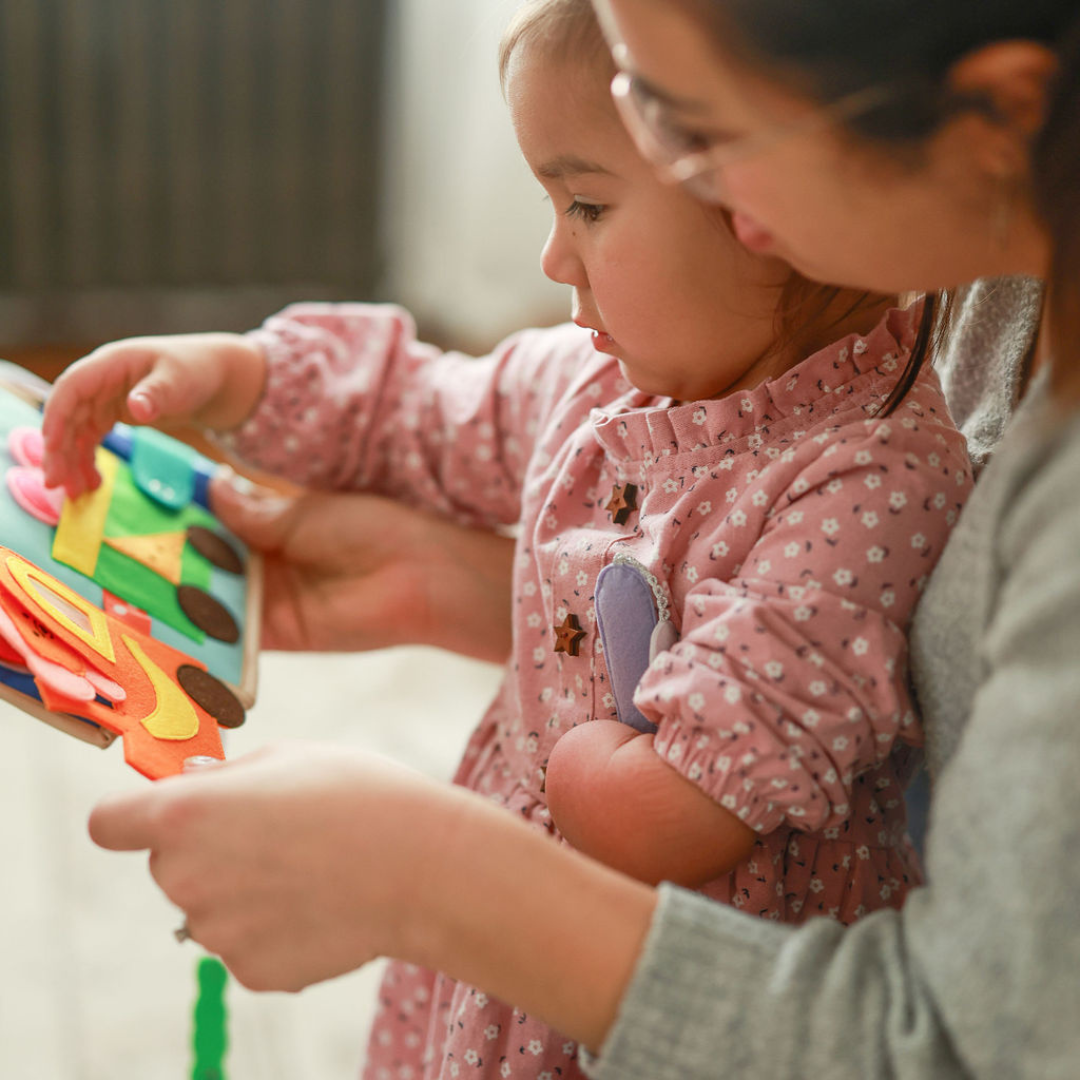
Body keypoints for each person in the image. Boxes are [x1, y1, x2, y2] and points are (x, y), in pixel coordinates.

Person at [82, 0, 1080, 1077]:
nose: (554, 256)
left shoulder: (871, 474)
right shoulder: (606, 381)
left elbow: (679, 806)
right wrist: (245, 378)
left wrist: (436, 855)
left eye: (601, 198)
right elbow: (428, 408)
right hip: (538, 965)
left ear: (993, 111)